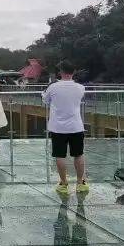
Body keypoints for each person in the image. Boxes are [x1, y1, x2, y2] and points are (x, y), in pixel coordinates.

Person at [42, 60, 89, 194]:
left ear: (60, 72)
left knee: (60, 155)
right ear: (73, 72)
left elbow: (46, 100)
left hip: (58, 127)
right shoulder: (80, 87)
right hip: (76, 126)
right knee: (78, 154)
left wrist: (44, 93)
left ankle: (63, 183)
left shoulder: (53, 87)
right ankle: (81, 183)